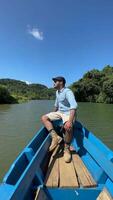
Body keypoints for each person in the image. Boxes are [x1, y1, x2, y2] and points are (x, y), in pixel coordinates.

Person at [41, 76, 78, 163]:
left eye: (55, 81)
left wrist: (69, 121)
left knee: (68, 127)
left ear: (61, 82)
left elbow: (74, 106)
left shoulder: (68, 92)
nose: (53, 83)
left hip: (68, 113)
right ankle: (55, 137)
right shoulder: (57, 92)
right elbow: (56, 106)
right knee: (44, 118)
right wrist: (51, 116)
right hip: (60, 112)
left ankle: (67, 149)